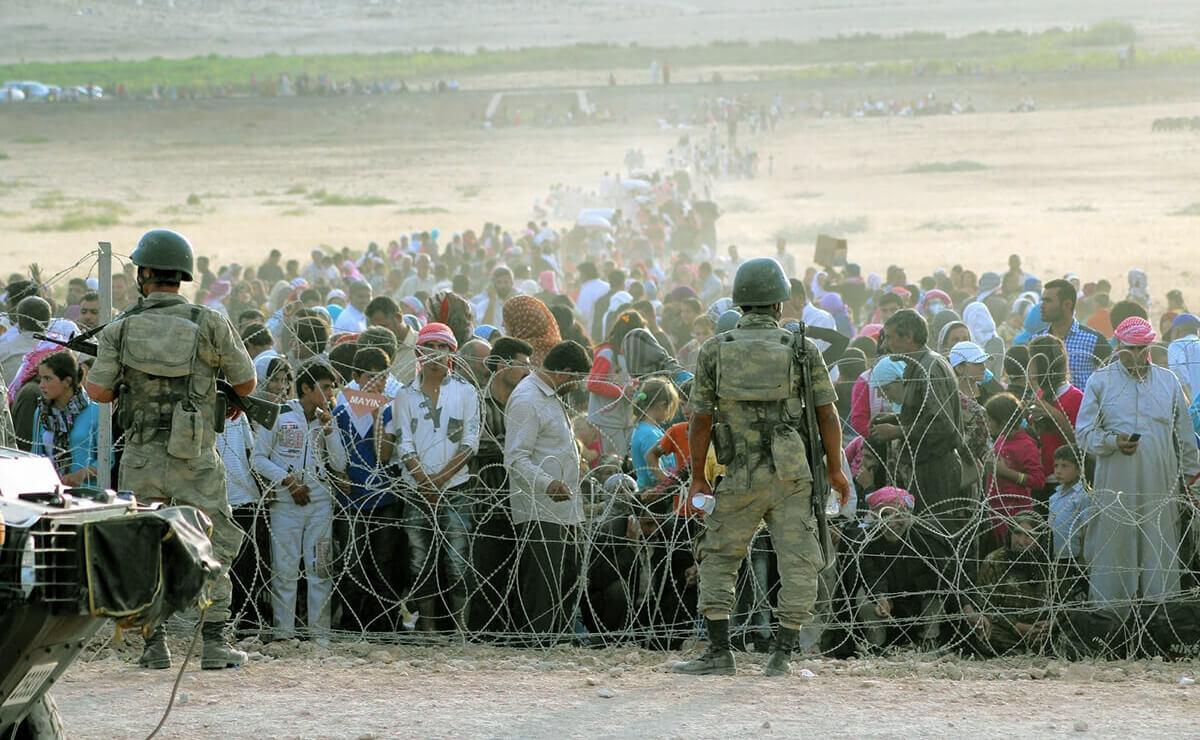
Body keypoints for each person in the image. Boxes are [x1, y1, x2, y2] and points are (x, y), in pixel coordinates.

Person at [84, 229, 257, 670]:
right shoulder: (210, 322)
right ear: (182, 275)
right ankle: (214, 643)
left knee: (145, 546)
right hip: (195, 456)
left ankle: (154, 644)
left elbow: (98, 392)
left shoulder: (121, 328)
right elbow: (246, 382)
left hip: (141, 455)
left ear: (143, 274)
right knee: (214, 542)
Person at [674, 257, 850, 677]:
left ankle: (720, 652)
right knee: (799, 560)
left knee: (719, 555)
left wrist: (698, 476)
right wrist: (835, 470)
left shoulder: (715, 349)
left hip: (739, 469)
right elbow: (827, 414)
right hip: (791, 473)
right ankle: (782, 655)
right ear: (778, 304)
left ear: (740, 302)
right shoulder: (801, 349)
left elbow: (700, 420)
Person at [1076, 317, 1200, 616]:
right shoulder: (1100, 381)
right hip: (1117, 487)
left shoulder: (1167, 382)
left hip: (1160, 486)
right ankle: (1112, 620)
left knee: (1158, 549)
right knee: (1116, 548)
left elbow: (1185, 438)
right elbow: (1084, 433)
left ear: (1149, 348)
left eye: (1141, 348)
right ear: (1118, 346)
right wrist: (1112, 442)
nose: (1135, 355)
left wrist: (1190, 484)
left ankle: (1158, 621)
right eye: (1129, 348)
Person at [379, 322, 481, 631]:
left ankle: (461, 631)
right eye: (430, 347)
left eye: (442, 347)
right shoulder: (405, 395)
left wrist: (439, 481)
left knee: (458, 561)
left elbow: (470, 441)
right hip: (417, 490)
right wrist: (426, 483)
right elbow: (404, 444)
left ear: (452, 352)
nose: (436, 353)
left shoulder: (465, 391)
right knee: (419, 561)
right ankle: (428, 632)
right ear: (419, 352)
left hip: (455, 488)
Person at [504, 340, 592, 644]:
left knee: (563, 580)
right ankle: (537, 646)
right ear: (565, 372)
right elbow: (516, 458)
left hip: (565, 511)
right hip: (540, 511)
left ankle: (556, 643)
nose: (577, 386)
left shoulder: (551, 397)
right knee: (542, 585)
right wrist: (548, 483)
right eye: (577, 379)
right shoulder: (527, 399)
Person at [252, 361, 347, 643]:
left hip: (320, 504)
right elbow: (258, 458)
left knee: (320, 569)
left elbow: (339, 464)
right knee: (285, 570)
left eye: (332, 387)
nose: (330, 393)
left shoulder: (327, 420)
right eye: (325, 387)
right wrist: (287, 481)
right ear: (306, 388)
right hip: (285, 504)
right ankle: (284, 635)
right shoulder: (280, 415)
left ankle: (320, 637)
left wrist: (329, 431)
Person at [873, 309, 965, 536]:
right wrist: (894, 419)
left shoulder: (929, 369)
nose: (884, 345)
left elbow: (942, 425)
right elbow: (924, 415)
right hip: (925, 465)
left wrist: (897, 431)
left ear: (908, 337)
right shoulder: (917, 366)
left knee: (933, 536)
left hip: (936, 468)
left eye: (889, 337)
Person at [971, 512, 1053, 655]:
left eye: (1029, 535)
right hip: (1008, 630)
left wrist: (1052, 624)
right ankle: (1020, 652)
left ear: (1040, 539)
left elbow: (1067, 604)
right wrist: (1018, 627)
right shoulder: (994, 561)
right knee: (986, 629)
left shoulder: (1049, 564)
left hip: (1042, 631)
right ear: (1009, 534)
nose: (1021, 541)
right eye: (1017, 533)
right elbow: (984, 605)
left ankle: (1041, 648)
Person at [981, 393, 1043, 549]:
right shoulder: (1002, 439)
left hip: (1014, 513)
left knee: (1012, 551)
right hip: (997, 509)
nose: (987, 423)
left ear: (1003, 422)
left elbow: (1038, 480)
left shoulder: (1025, 445)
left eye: (990, 420)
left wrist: (1005, 472)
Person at [31, 351, 99, 486]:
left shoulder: (95, 412)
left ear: (67, 381)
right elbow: (35, 454)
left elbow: (108, 460)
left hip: (85, 492)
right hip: (48, 489)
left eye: (48, 379)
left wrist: (80, 475)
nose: (41, 385)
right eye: (41, 378)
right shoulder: (42, 412)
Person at [586, 309, 645, 456]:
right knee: (612, 462)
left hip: (625, 419)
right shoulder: (607, 353)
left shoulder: (630, 354)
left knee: (625, 459)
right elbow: (593, 384)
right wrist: (622, 391)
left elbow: (631, 380)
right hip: (606, 420)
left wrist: (634, 390)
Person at [1036, 279, 1110, 390]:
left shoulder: (1093, 340)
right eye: (1043, 301)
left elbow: (1111, 377)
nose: (1042, 306)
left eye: (1048, 301)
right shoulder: (1037, 340)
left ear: (1067, 305)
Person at [1047, 444, 1089, 602]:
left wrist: (1083, 559)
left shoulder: (1082, 496)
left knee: (1074, 597)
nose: (1058, 470)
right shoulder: (1054, 496)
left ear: (1079, 469)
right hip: (1055, 555)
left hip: (1074, 557)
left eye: (1065, 466)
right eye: (1056, 465)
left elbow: (1086, 528)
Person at [628, 377, 680, 489]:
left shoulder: (646, 429)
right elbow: (655, 475)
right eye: (670, 408)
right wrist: (676, 487)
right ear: (662, 405)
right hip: (655, 493)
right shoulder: (649, 434)